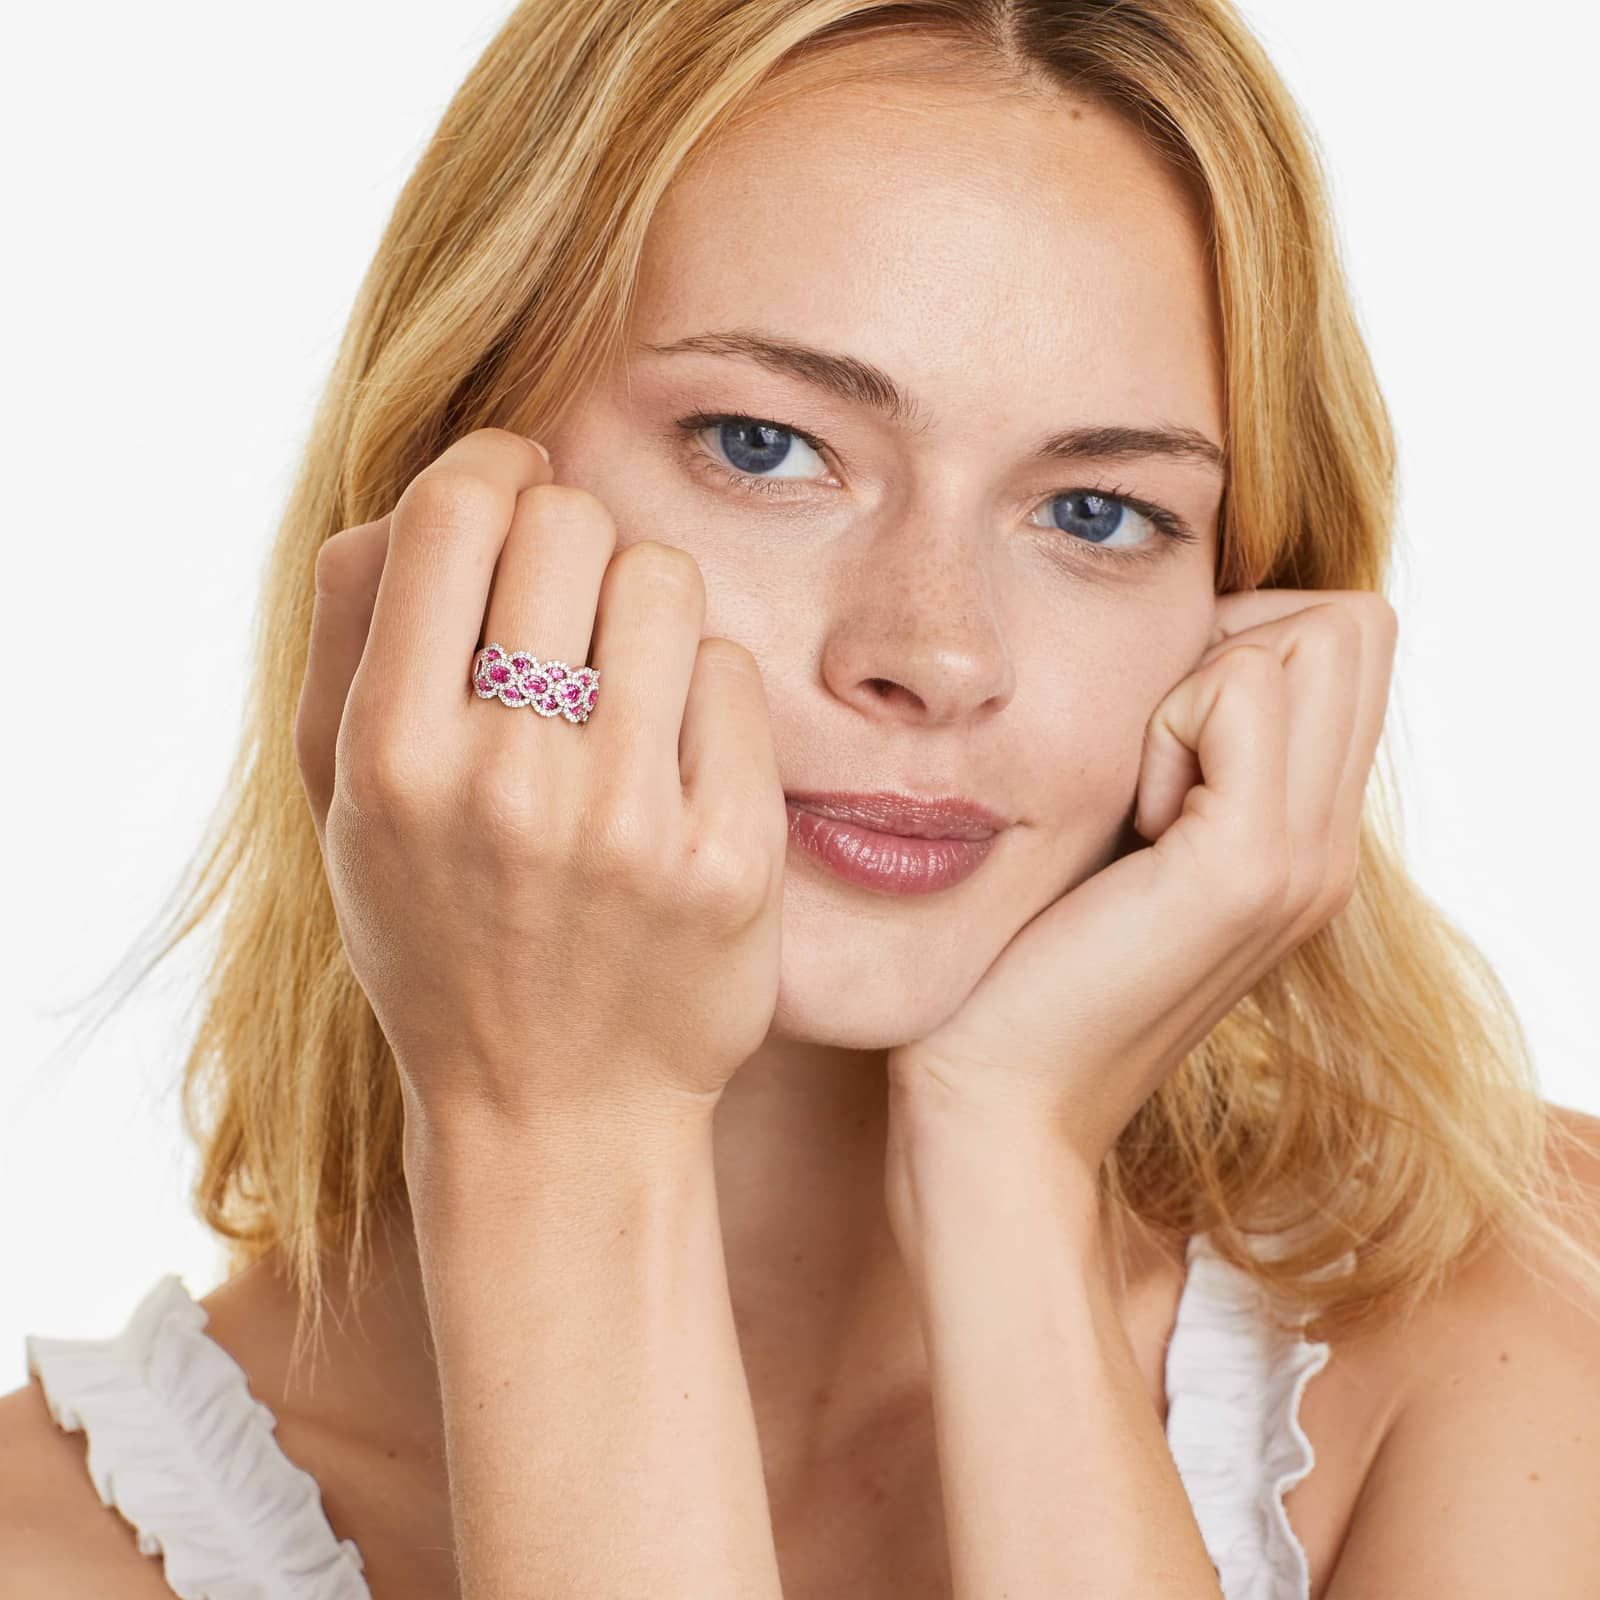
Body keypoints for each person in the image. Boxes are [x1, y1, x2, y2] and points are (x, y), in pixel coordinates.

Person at [5, 2, 1600, 1595]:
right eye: (764, 446)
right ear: (449, 493)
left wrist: (1007, 1160)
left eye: (1098, 511)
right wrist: (556, 1127)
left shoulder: (1513, 1314)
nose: (936, 650)